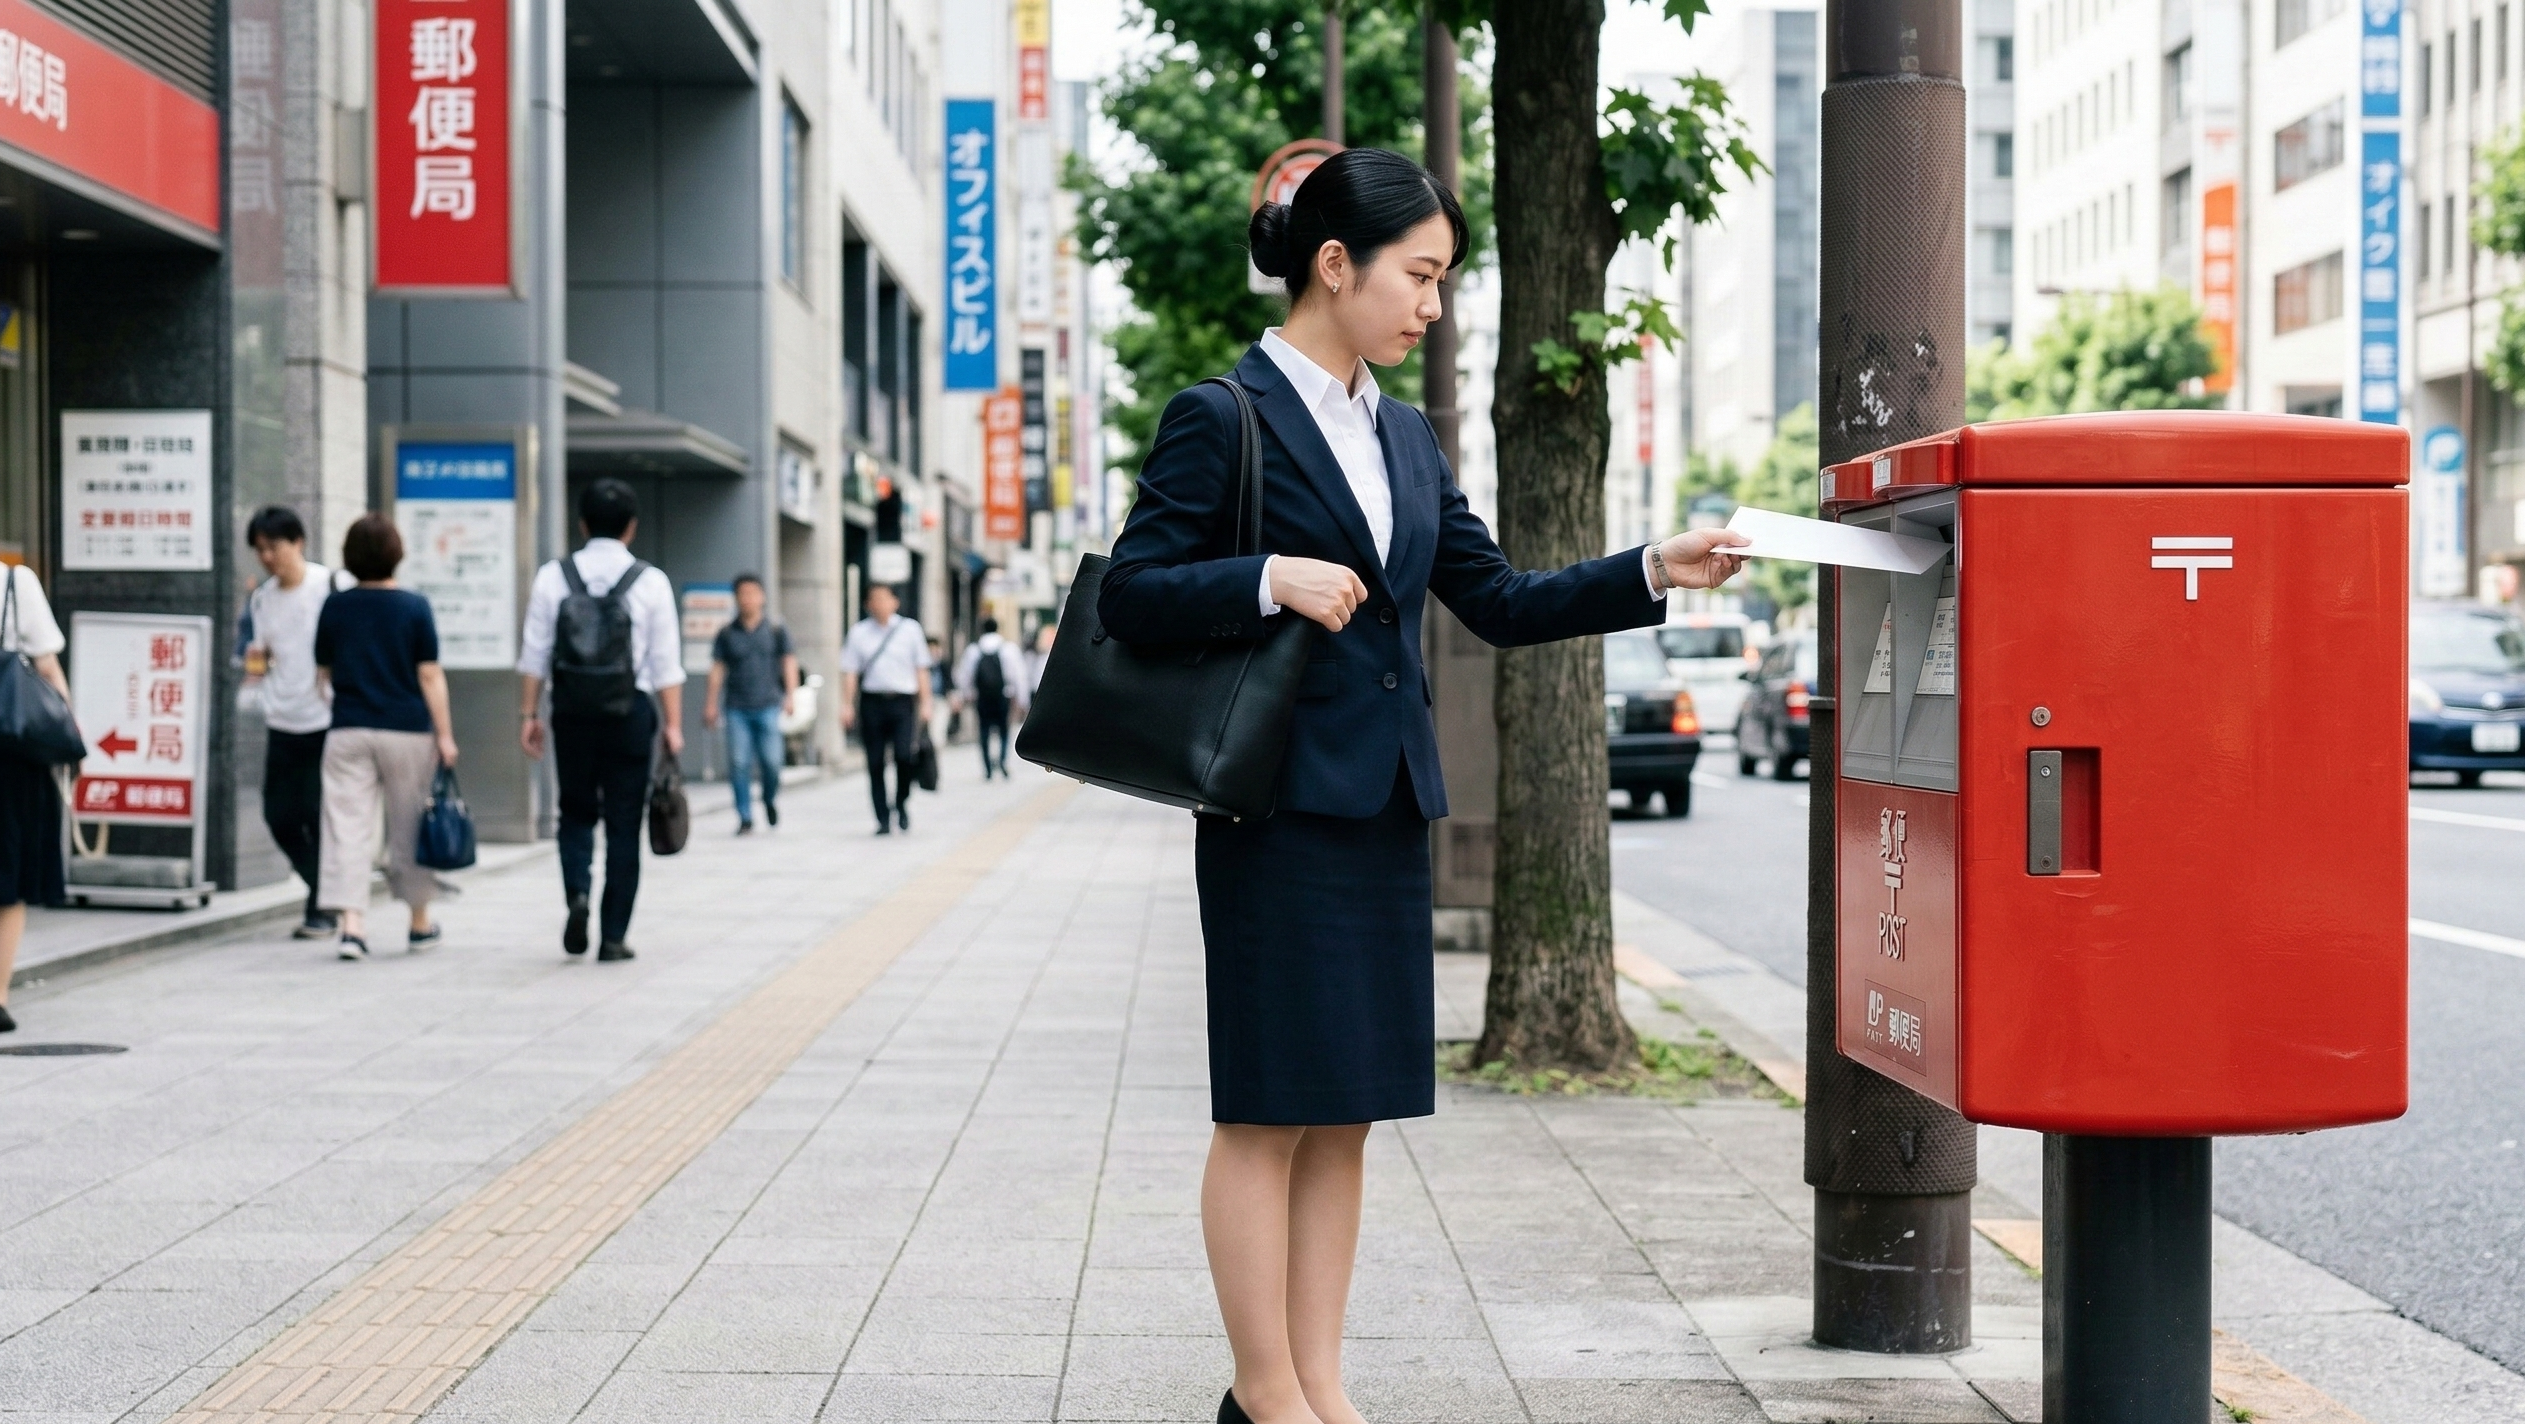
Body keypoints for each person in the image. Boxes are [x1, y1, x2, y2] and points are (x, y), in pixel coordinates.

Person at [1096, 147, 1747, 1424]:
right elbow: (1128, 592)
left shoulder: (1400, 432)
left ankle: (1320, 1384)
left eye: (1443, 281)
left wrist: (1652, 568)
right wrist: (1265, 575)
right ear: (1332, 266)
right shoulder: (1218, 413)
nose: (1432, 306)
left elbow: (1495, 599)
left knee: (1345, 1112)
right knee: (1267, 1110)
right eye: (1419, 275)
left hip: (1383, 804)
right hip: (1273, 807)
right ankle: (1264, 1390)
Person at [516, 479, 684, 962]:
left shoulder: (553, 576)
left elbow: (535, 653)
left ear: (583, 523)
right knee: (624, 823)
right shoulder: (650, 581)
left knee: (575, 812)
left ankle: (578, 895)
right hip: (630, 712)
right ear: (631, 528)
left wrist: (530, 714)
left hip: (571, 711)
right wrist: (673, 726)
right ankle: (612, 936)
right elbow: (665, 664)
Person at [314, 514, 460, 960]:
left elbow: (323, 674)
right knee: (410, 825)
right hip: (407, 731)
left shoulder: (335, 606)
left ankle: (352, 927)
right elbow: (430, 675)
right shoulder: (414, 607)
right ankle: (418, 922)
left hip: (349, 729)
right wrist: (446, 735)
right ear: (398, 554)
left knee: (346, 828)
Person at [244, 507, 354, 939]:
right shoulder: (262, 598)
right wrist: (252, 682)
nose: (268, 557)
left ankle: (321, 907)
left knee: (315, 811)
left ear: (298, 543)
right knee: (278, 814)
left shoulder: (331, 586)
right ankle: (327, 893)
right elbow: (260, 651)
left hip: (326, 719)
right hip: (282, 718)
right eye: (260, 550)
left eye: (274, 547)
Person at [0, 561, 69, 1033]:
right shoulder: (12, 582)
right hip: (8, 750)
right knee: (8, 874)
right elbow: (46, 668)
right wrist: (68, 739)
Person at [704, 573, 796, 835]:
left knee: (772, 763)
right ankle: (744, 816)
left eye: (753, 594)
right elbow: (717, 669)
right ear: (736, 598)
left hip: (768, 704)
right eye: (742, 594)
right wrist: (710, 704)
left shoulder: (776, 629)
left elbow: (788, 662)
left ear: (762, 597)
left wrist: (790, 695)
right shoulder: (726, 633)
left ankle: (768, 799)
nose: (748, 599)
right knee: (739, 763)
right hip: (736, 708)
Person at [837, 583, 930, 834]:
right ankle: (882, 817)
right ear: (868, 604)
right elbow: (850, 673)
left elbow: (921, 669)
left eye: (884, 598)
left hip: (902, 702)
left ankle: (901, 802)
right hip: (872, 703)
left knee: (904, 756)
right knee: (875, 761)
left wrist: (926, 703)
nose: (879, 604)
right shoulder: (858, 633)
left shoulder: (910, 630)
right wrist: (846, 705)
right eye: (874, 599)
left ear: (894, 602)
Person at [954, 617, 1027, 779]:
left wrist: (965, 695)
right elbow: (1019, 676)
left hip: (982, 697)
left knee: (984, 731)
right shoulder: (1008, 648)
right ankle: (1001, 760)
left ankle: (987, 767)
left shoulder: (974, 650)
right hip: (1003, 696)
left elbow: (964, 676)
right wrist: (1022, 700)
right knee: (1004, 731)